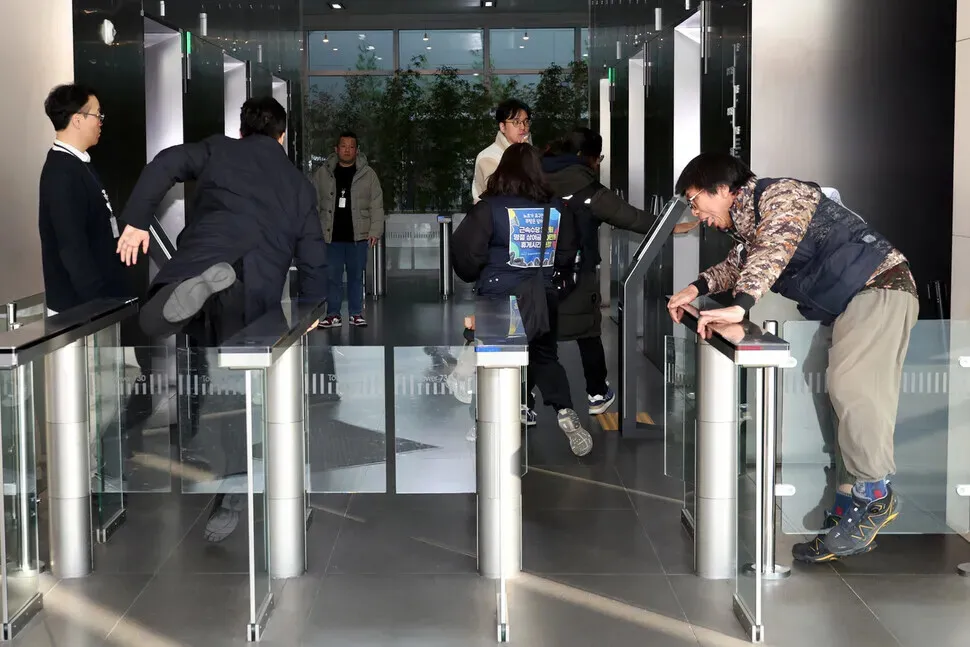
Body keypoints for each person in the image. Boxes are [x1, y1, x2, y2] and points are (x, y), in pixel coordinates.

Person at [667, 152, 918, 562]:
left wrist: (741, 305)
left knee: (852, 386)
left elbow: (775, 246)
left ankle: (875, 495)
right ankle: (847, 502)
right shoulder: (749, 224)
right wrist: (694, 289)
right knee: (828, 391)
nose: (697, 214)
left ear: (723, 189)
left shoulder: (782, 195)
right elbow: (740, 262)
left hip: (880, 287)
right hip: (849, 302)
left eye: (696, 201)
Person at [114, 96, 328, 542]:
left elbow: (166, 162)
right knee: (239, 389)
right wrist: (312, 306)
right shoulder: (298, 184)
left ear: (242, 129)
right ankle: (227, 497)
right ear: (283, 135)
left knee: (156, 323)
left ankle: (193, 421)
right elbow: (313, 255)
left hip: (204, 261)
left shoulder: (219, 150)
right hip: (259, 292)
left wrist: (136, 221)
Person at [542, 127, 696, 415]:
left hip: (535, 274)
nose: (598, 163)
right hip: (577, 272)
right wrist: (669, 226)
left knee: (539, 333)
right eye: (597, 157)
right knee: (587, 332)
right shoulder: (587, 187)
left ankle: (524, 402)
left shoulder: (533, 175)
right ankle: (597, 394)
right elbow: (630, 216)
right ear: (583, 156)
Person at [452, 143, 592, 457]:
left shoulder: (489, 208)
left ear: (504, 170)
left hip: (499, 296)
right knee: (544, 357)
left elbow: (466, 252)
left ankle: (485, 422)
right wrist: (552, 282)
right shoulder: (555, 208)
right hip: (541, 294)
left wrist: (481, 273)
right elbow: (569, 253)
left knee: (493, 362)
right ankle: (565, 411)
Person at [38, 83, 129, 315]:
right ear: (77, 119)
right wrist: (98, 302)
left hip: (99, 299)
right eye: (97, 115)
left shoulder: (79, 163)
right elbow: (71, 246)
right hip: (80, 308)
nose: (100, 121)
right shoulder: (61, 173)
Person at [311, 130, 385, 328]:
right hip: (330, 236)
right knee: (332, 277)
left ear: (357, 150)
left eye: (351, 147)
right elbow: (313, 203)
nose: (347, 150)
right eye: (343, 146)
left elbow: (376, 205)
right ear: (336, 149)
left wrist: (374, 231)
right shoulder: (323, 173)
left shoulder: (368, 174)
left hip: (358, 237)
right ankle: (333, 314)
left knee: (355, 276)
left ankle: (355, 313)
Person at [472, 99, 532, 204]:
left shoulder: (531, 154)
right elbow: (502, 193)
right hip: (496, 217)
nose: (523, 127)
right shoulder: (488, 157)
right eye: (516, 122)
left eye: (526, 122)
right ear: (502, 127)